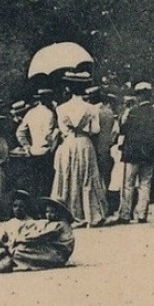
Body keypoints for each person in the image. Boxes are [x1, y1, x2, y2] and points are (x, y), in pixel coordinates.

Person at [51, 69, 110, 227]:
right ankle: (90, 214)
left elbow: (63, 130)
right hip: (84, 143)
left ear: (68, 88)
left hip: (69, 143)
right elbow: (96, 130)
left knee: (69, 177)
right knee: (87, 177)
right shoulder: (91, 108)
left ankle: (71, 214)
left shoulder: (61, 108)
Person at [115, 83, 154, 223]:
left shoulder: (132, 112)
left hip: (132, 153)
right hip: (149, 153)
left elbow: (123, 129)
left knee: (128, 184)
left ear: (139, 96)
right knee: (145, 184)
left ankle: (125, 214)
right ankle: (142, 215)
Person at [15, 86, 59, 200]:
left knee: (33, 184)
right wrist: (57, 134)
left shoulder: (31, 112)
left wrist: (26, 147)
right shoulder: (50, 114)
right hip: (46, 153)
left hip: (33, 152)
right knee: (45, 185)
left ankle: (34, 210)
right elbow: (48, 136)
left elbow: (20, 132)